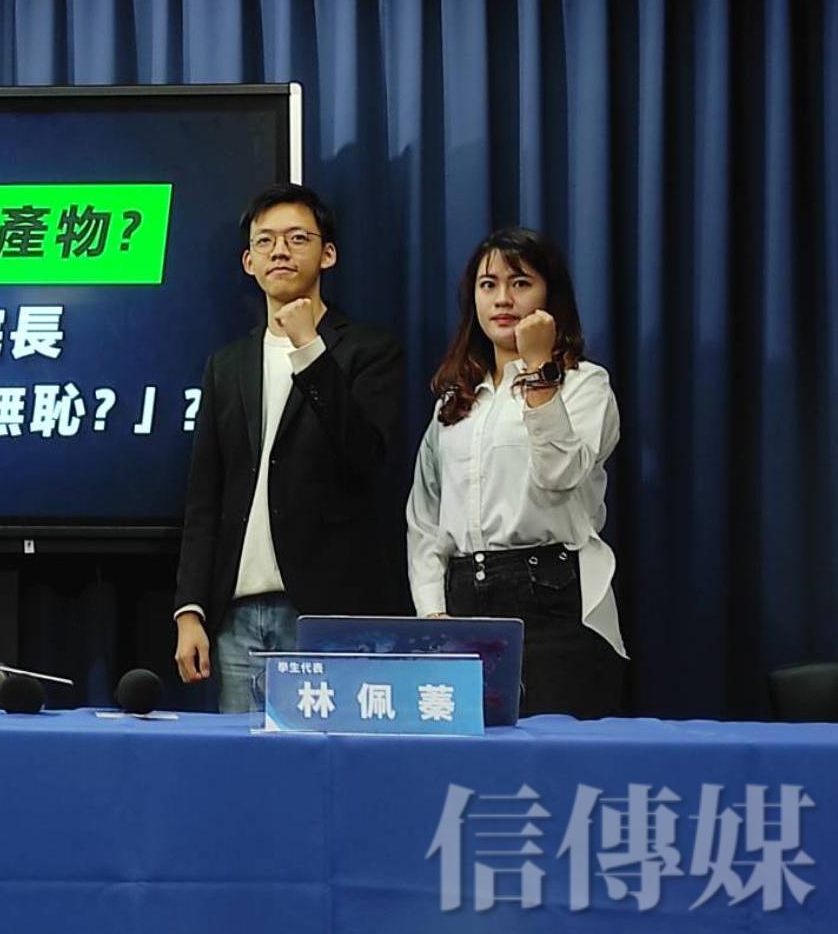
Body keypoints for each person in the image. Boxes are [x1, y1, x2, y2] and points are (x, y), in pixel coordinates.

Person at [174, 183, 405, 713]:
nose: (280, 251)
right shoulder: (227, 365)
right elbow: (205, 496)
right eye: (266, 241)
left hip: (326, 614)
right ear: (248, 262)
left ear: (328, 254)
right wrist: (190, 609)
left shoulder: (370, 350)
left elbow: (365, 456)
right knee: (245, 762)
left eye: (298, 238)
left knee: (330, 758)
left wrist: (309, 347)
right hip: (237, 619)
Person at [406, 227, 625, 718]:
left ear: (550, 295)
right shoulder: (455, 402)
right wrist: (433, 612)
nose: (502, 299)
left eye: (520, 283)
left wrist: (540, 368)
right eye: (488, 285)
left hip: (551, 599)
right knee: (472, 758)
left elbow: (560, 474)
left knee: (555, 754)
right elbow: (424, 518)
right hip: (463, 602)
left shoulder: (585, 385)